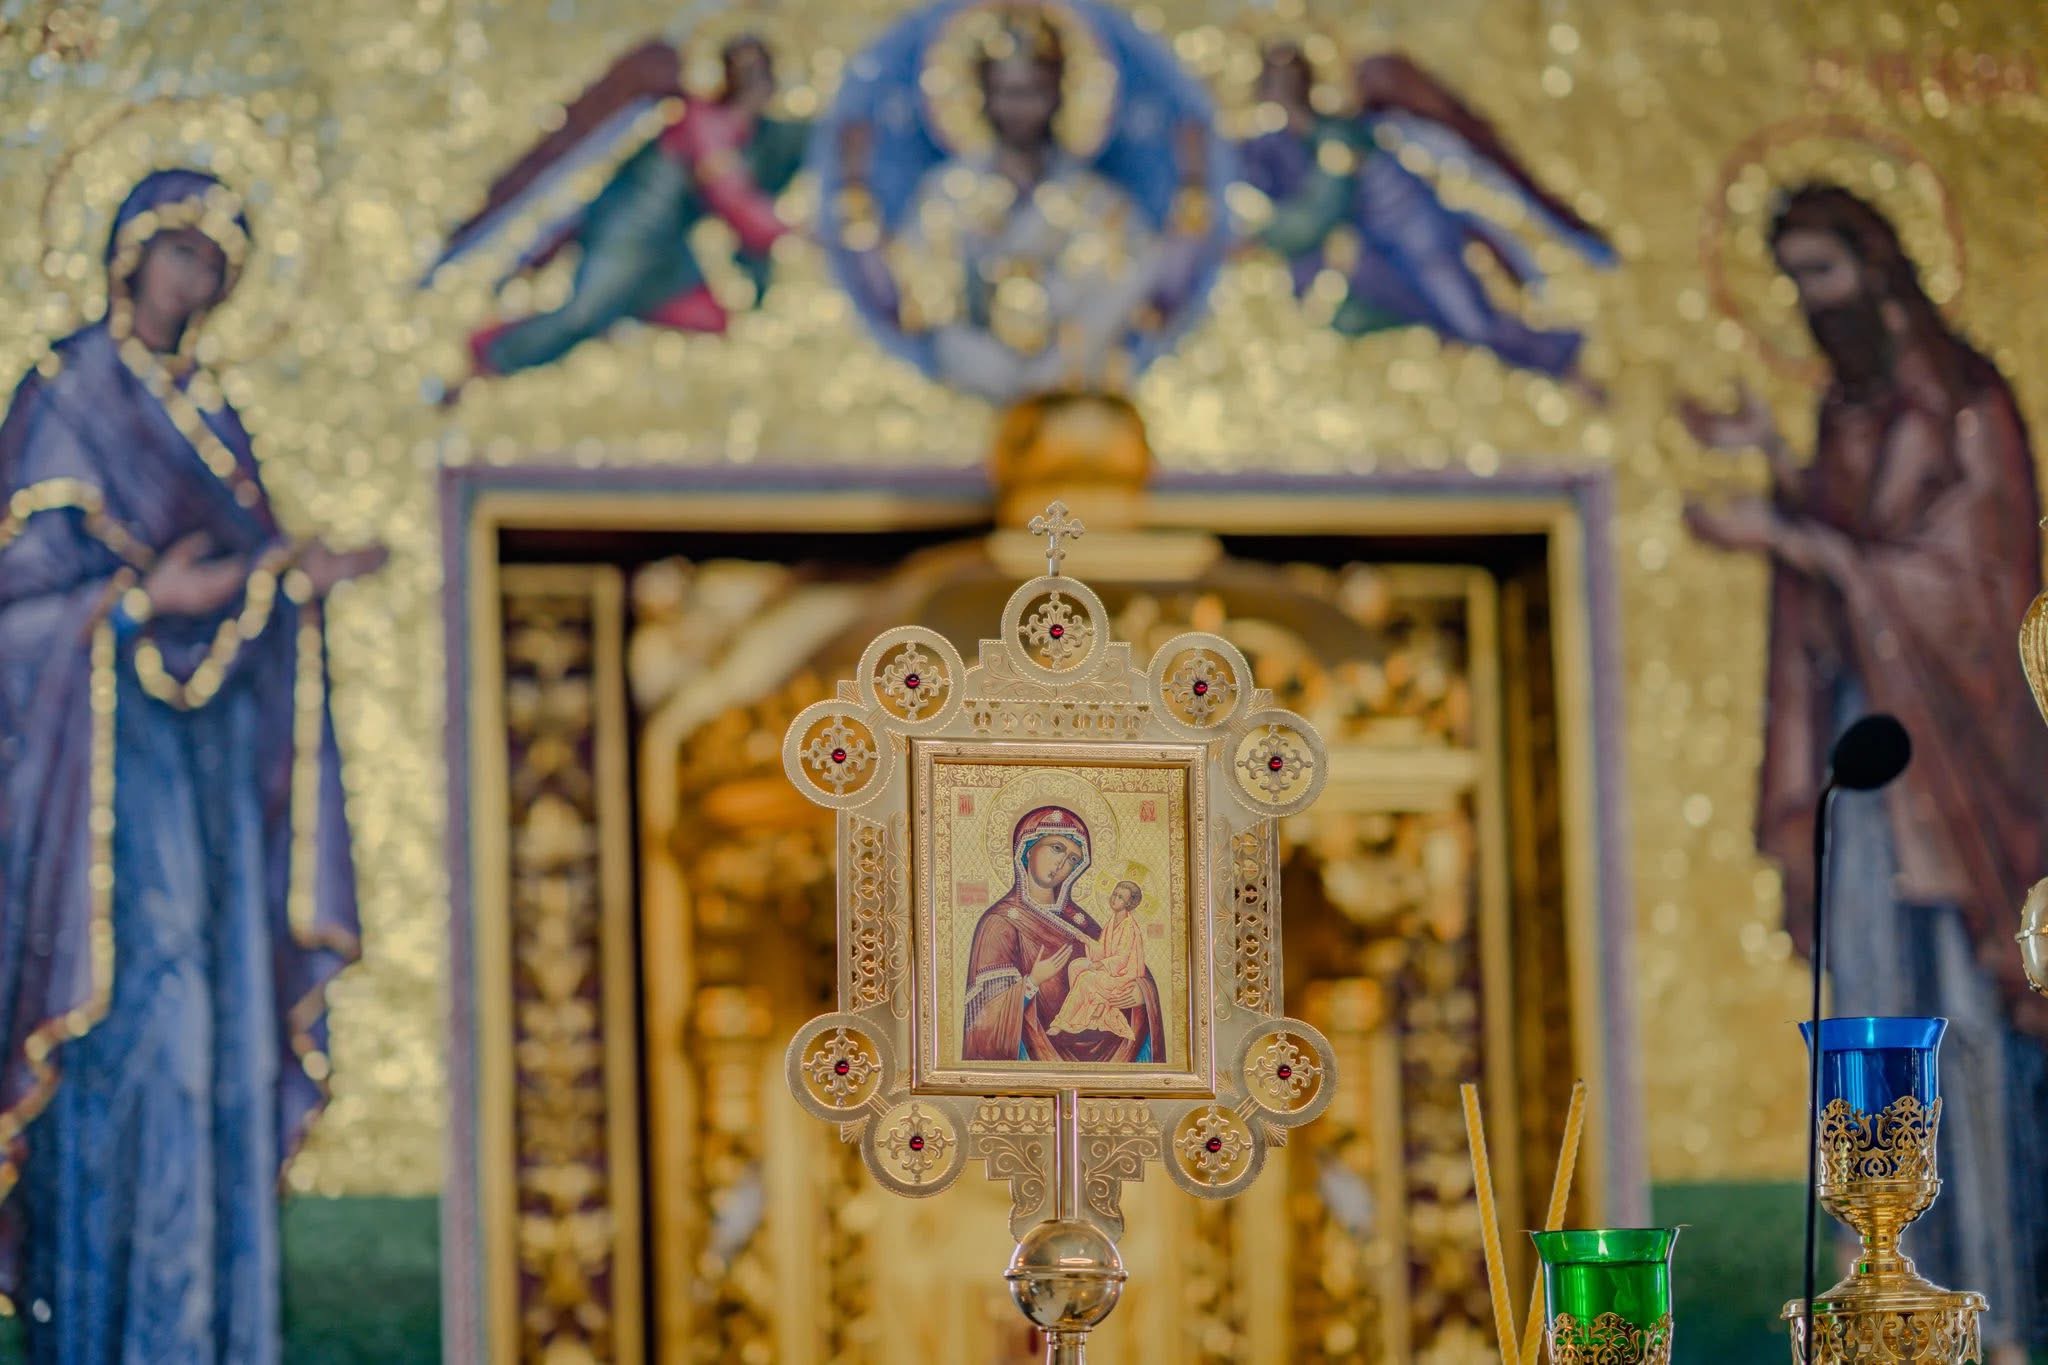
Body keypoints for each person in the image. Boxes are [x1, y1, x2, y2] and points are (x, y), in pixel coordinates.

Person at [0, 169, 385, 1360]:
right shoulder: (70, 394)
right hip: (99, 790)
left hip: (208, 781)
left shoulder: (212, 415)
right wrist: (131, 605)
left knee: (214, 1039)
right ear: (130, 255)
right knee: (144, 1032)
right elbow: (17, 610)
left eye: (214, 267)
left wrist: (285, 585)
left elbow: (234, 587)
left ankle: (206, 1332)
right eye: (180, 255)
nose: (193, 283)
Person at [1681, 182, 2047, 1362]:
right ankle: (1879, 1295)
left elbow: (1969, 589)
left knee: (1961, 1023)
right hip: (1864, 757)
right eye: (1791, 279)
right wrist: (1773, 469)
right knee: (1867, 1010)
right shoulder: (1846, 415)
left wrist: (1789, 538)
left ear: (1879, 270)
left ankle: (1986, 1306)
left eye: (1822, 273)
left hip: (1951, 769)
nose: (1807, 302)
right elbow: (1849, 550)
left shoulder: (1966, 408)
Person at [837, 6, 1201, 403]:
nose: (1021, 107)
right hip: (975, 374)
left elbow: (1145, 288)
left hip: (1071, 380)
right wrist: (854, 189)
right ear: (985, 97)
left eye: (1034, 91)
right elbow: (915, 295)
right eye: (1008, 92)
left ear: (1059, 94)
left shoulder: (1098, 202)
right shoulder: (948, 194)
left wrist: (1193, 191)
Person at [437, 34, 808, 403]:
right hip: (625, 237)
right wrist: (796, 231)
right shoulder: (705, 126)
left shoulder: (742, 133)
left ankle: (608, 314)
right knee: (582, 315)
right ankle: (486, 361)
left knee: (708, 316)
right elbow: (732, 199)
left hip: (663, 249)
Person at [1236, 42, 1612, 402]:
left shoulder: (1336, 138)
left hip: (1420, 237)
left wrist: (1260, 238)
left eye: (1280, 92)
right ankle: (1567, 370)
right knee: (1450, 323)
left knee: (1473, 322)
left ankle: (1570, 366)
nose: (1275, 106)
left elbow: (1325, 207)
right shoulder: (1301, 148)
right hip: (1392, 253)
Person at [962, 807, 1163, 1064]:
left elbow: (1127, 960)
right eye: (1056, 848)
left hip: (1110, 1056)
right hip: (1035, 1056)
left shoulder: (1078, 921)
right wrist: (1032, 981)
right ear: (1028, 847)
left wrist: (1143, 992)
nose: (1061, 864)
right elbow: (984, 1019)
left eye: (1072, 859)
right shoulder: (1000, 922)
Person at [1047, 877, 1147, 1041]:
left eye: (1120, 897)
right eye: (1114, 894)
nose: (1114, 899)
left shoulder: (1129, 927)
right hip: (1110, 971)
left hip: (1123, 977)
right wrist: (1087, 940)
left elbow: (1122, 959)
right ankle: (1091, 1008)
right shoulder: (1112, 921)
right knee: (1076, 966)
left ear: (1129, 903)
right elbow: (1103, 950)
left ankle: (1063, 1022)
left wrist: (1100, 964)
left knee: (1085, 978)